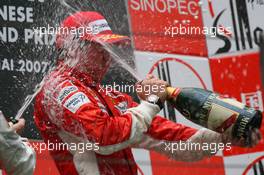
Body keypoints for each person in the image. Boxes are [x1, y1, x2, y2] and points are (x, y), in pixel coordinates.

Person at [34, 11, 261, 175]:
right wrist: (152, 102)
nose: (108, 57)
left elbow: (175, 143)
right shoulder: (57, 88)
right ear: (75, 48)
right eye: (100, 48)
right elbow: (103, 139)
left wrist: (225, 137)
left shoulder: (111, 97)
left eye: (110, 48)